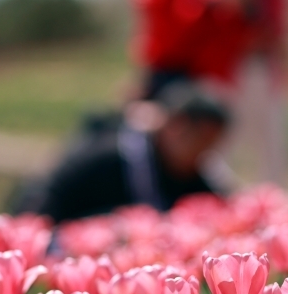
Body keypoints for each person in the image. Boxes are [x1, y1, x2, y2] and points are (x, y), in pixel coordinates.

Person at [32, 82, 230, 223]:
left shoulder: (195, 175)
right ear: (174, 126)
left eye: (211, 144)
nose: (204, 152)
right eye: (200, 140)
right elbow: (42, 201)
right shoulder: (106, 156)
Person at [202, 0, 288, 187]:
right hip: (225, 68)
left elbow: (277, 27)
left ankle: (277, 212)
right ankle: (215, 206)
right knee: (218, 144)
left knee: (273, 146)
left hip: (260, 67)